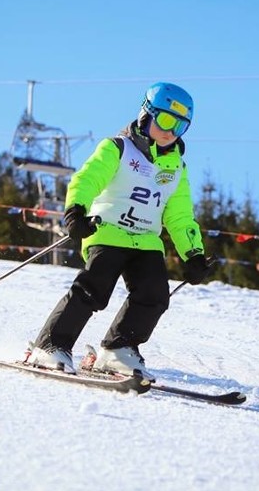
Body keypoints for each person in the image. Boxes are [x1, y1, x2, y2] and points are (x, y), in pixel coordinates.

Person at [25, 82, 211, 381]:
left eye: (180, 126)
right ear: (146, 115)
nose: (170, 131)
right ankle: (50, 345)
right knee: (93, 288)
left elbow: (180, 215)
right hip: (107, 230)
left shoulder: (177, 167)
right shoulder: (117, 148)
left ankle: (118, 348)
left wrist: (194, 253)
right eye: (165, 120)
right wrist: (76, 211)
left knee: (155, 294)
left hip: (147, 240)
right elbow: (87, 179)